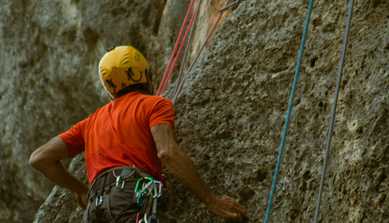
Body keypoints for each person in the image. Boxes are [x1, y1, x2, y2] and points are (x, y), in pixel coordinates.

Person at [30, 46, 245, 222]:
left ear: (110, 89)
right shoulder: (155, 105)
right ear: (146, 76)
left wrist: (84, 190)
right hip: (131, 199)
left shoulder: (91, 123)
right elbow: (168, 153)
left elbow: (40, 158)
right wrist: (211, 200)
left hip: (95, 211)